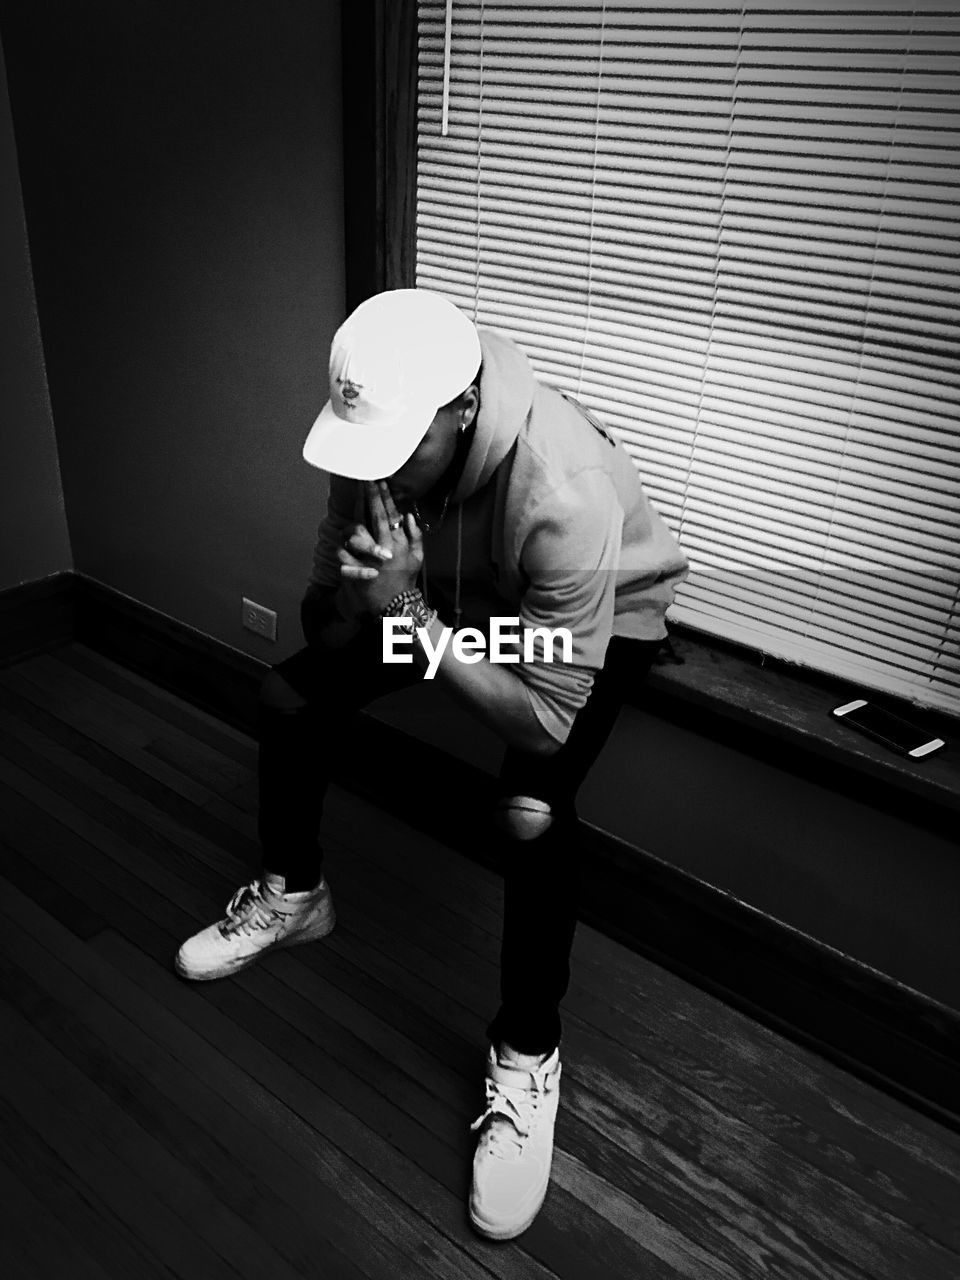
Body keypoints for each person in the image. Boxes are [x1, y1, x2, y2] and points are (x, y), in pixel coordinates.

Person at [175, 288, 688, 1241]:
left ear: (461, 410)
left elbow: (541, 722)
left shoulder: (563, 486)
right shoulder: (376, 443)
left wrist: (410, 613)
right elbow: (321, 622)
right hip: (440, 596)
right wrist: (361, 608)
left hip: (589, 619)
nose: (379, 477)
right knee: (289, 695)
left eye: (403, 454)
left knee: (531, 807)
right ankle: (295, 895)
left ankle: (528, 1052)